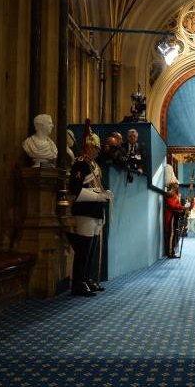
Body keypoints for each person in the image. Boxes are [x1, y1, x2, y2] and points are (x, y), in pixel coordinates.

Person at [66, 119, 112, 297]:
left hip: (95, 211)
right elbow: (76, 190)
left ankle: (86, 278)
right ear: (88, 147)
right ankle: (78, 283)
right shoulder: (80, 164)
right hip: (84, 210)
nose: (98, 151)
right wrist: (98, 196)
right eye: (95, 148)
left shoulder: (95, 166)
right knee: (83, 250)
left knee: (91, 249)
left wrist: (104, 194)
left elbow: (96, 187)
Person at [163, 164, 184, 258]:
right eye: (176, 184)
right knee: (171, 233)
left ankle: (172, 250)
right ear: (173, 185)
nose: (177, 185)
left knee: (174, 233)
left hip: (175, 215)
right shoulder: (170, 194)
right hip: (171, 215)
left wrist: (183, 209)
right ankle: (170, 252)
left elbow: (177, 205)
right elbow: (173, 206)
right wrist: (182, 207)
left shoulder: (175, 194)